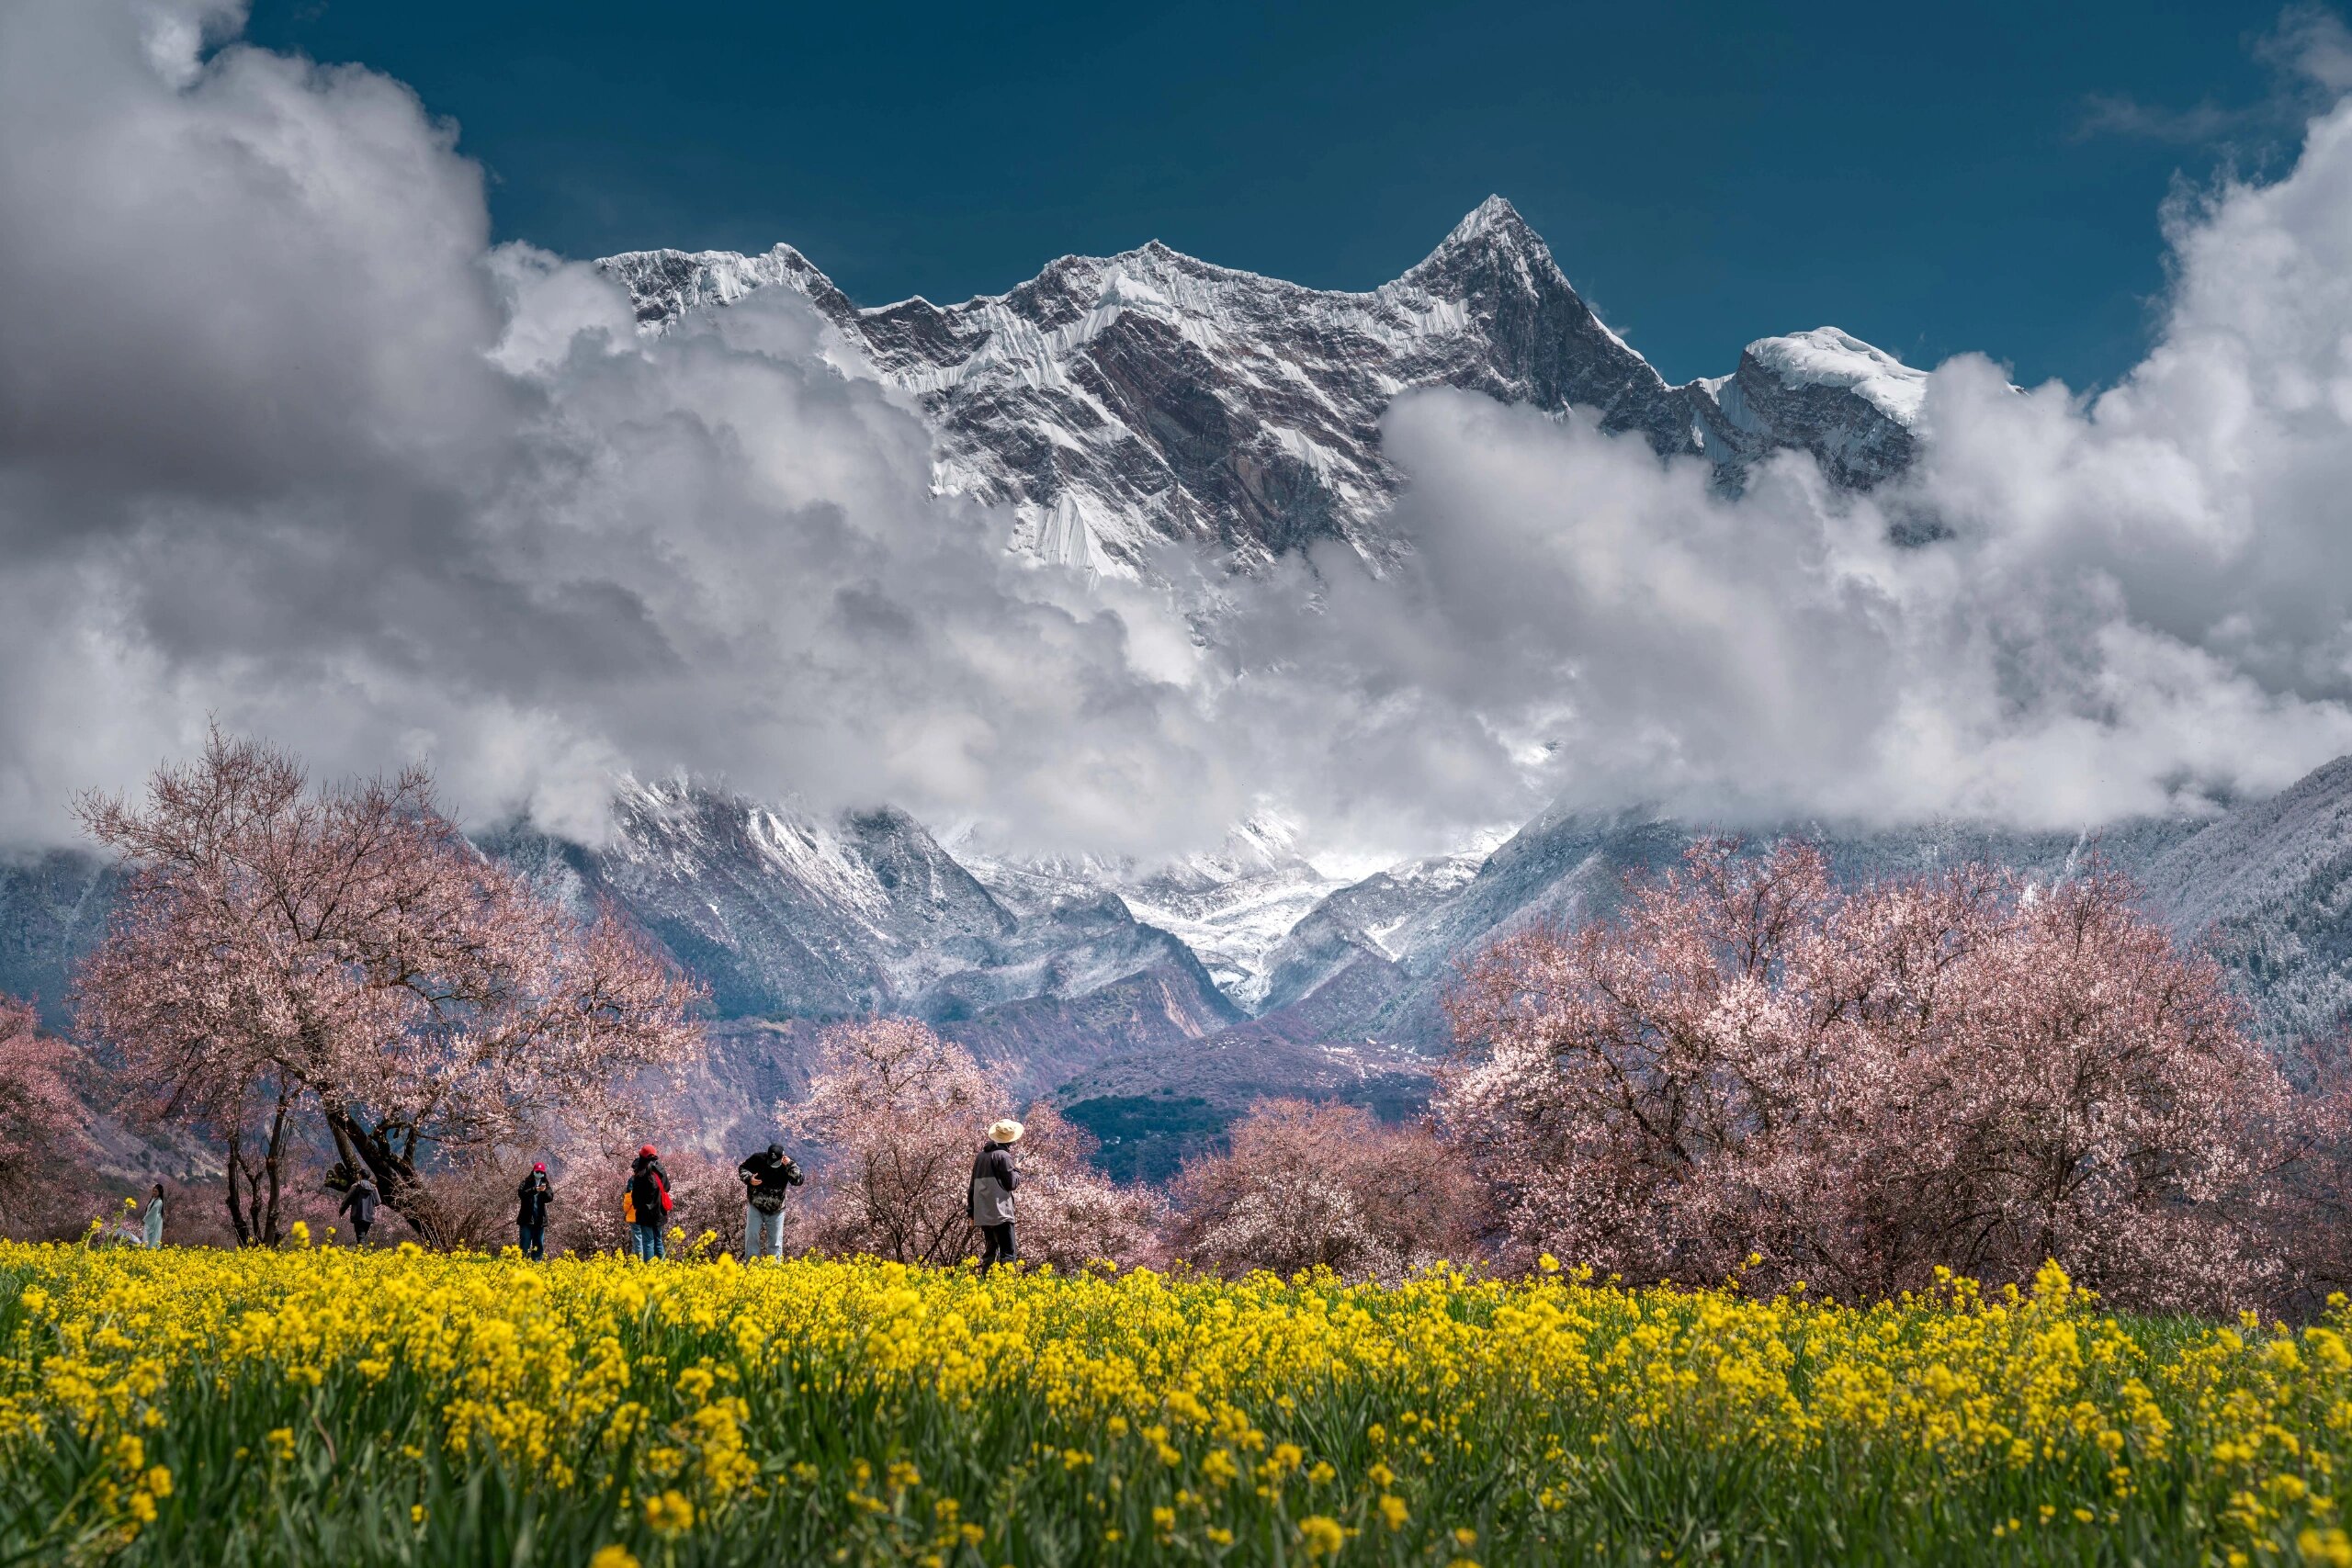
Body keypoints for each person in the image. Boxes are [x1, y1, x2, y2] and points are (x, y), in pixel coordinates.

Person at [968, 1119, 1023, 1274]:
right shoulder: (1004, 1156)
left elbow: (972, 1186)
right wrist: (1017, 1170)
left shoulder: (980, 1156)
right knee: (1008, 1252)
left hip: (983, 1211)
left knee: (990, 1251)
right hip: (1001, 1212)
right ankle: (1005, 1285)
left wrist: (971, 1212)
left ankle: (986, 1282)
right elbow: (1012, 1183)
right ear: (1011, 1140)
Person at [736, 1142, 804, 1261]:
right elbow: (742, 1168)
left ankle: (773, 1270)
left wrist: (790, 1165)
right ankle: (752, 1266)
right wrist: (749, 1178)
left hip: (776, 1210)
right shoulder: (758, 1159)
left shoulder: (787, 1165)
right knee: (751, 1235)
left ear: (783, 1157)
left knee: (775, 1241)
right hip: (756, 1206)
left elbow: (798, 1180)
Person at [626, 1145, 671, 1261]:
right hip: (660, 1211)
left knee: (648, 1242)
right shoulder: (660, 1170)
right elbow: (667, 1187)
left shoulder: (640, 1174)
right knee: (658, 1240)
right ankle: (663, 1267)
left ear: (642, 1156)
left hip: (645, 1213)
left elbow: (635, 1197)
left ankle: (649, 1270)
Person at [515, 1163, 554, 1259]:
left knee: (538, 1245)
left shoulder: (546, 1184)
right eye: (537, 1172)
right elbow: (521, 1194)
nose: (539, 1173)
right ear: (533, 1171)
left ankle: (536, 1266)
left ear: (544, 1173)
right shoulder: (526, 1182)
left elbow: (550, 1198)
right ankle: (522, 1264)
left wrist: (543, 1191)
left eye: (541, 1172)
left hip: (539, 1220)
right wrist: (534, 1189)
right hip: (526, 1219)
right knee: (525, 1243)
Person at [338, 1173, 379, 1245]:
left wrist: (342, 1211)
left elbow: (347, 1200)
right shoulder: (374, 1188)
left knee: (360, 1239)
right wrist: (370, 1204)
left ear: (360, 1175)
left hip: (358, 1215)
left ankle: (361, 1254)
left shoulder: (356, 1186)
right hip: (369, 1216)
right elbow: (378, 1202)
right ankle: (359, 1254)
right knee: (361, 1238)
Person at [141, 1183, 164, 1248]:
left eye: (156, 1191)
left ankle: (150, 1249)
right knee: (148, 1236)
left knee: (152, 1236)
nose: (154, 1192)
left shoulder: (159, 1201)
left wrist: (146, 1219)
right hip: (151, 1220)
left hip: (154, 1222)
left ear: (160, 1192)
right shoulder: (153, 1199)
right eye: (153, 1191)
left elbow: (153, 1211)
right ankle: (148, 1248)